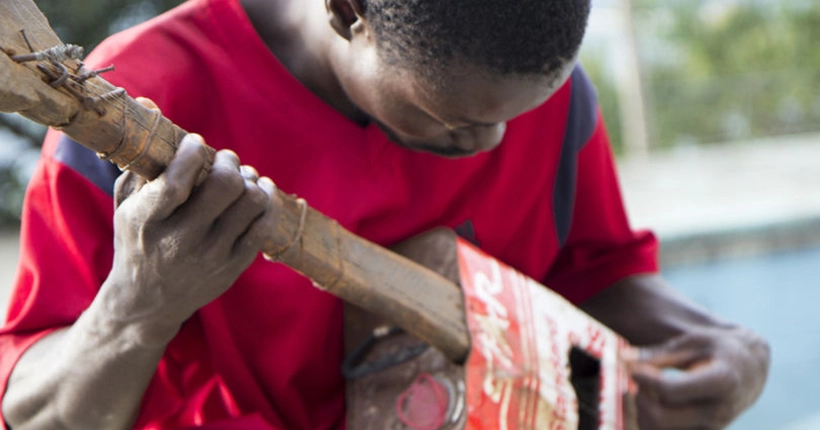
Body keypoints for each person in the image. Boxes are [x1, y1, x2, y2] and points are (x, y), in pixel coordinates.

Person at [0, 0, 769, 428]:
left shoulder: (542, 92)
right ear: (348, 11)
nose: (491, 142)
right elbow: (33, 416)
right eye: (451, 119)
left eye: (519, 111)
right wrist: (137, 309)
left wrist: (721, 344)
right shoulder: (141, 100)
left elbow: (596, 273)